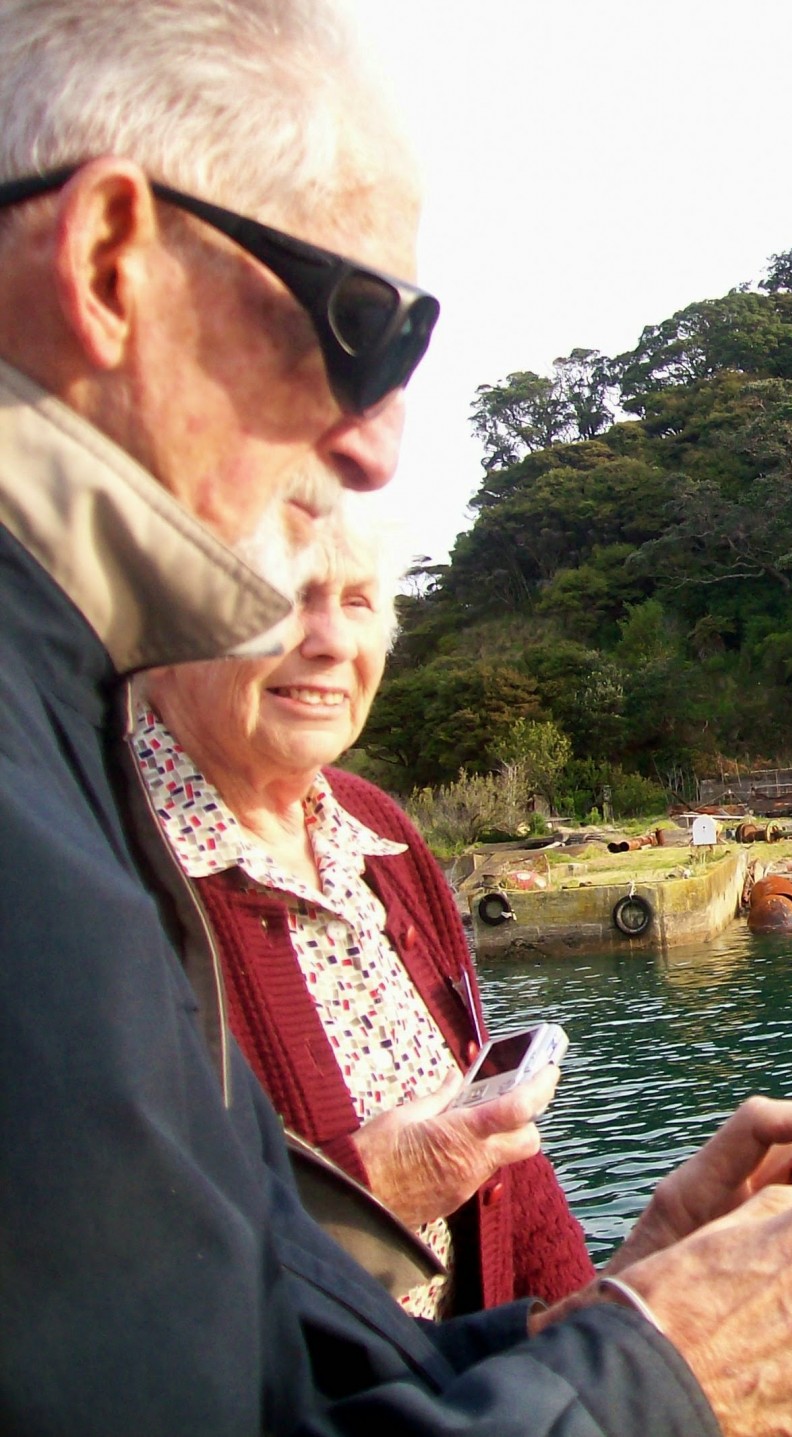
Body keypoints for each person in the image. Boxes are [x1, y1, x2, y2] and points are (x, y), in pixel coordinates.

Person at [0, 3, 792, 1434]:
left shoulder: (78, 755)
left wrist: (627, 1308)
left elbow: (244, 1365)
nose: (378, 449)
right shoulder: (41, 815)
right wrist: (657, 1380)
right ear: (109, 259)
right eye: (360, 326)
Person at [138, 508, 595, 1317]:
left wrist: (607, 1319)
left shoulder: (377, 833)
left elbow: (498, 1164)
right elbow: (92, 1269)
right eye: (285, 596)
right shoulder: (102, 857)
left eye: (357, 603)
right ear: (164, 621)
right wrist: (360, 1193)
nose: (332, 641)